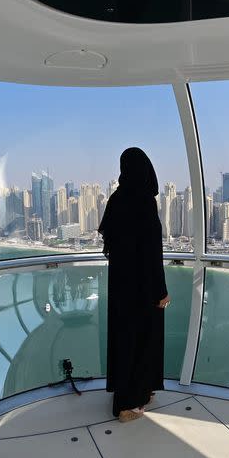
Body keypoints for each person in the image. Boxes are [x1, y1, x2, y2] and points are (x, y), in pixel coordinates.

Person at [98, 147, 171, 422]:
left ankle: (134, 393)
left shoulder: (117, 199)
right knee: (144, 340)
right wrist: (161, 291)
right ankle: (130, 404)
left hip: (121, 287)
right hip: (144, 289)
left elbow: (112, 244)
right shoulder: (144, 201)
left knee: (125, 340)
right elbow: (153, 252)